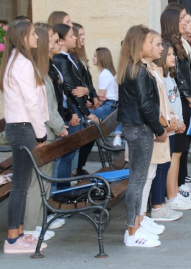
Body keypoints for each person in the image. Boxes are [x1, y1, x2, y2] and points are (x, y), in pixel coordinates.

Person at [117, 25, 168, 248]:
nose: (154, 45)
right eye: (150, 42)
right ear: (140, 44)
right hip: (139, 128)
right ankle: (132, 231)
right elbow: (146, 105)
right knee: (137, 180)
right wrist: (159, 129)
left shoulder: (135, 67)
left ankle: (137, 222)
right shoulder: (136, 69)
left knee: (138, 178)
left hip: (137, 127)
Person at [1, 19, 49, 254]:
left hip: (19, 127)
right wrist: (41, 133)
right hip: (23, 127)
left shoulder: (15, 61)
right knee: (20, 184)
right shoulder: (22, 64)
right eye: (33, 34)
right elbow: (31, 102)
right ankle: (12, 238)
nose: (37, 37)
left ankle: (19, 233)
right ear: (22, 38)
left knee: (22, 182)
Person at [23, 24, 69, 241]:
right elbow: (44, 108)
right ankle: (31, 228)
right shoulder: (36, 71)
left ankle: (39, 223)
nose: (55, 40)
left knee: (44, 182)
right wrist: (60, 127)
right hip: (43, 133)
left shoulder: (42, 69)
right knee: (37, 183)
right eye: (51, 37)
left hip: (48, 132)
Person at [160, 7, 191, 200]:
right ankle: (173, 190)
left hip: (183, 98)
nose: (185, 22)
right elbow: (178, 77)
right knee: (176, 149)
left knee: (181, 148)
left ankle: (177, 187)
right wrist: (190, 96)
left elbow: (186, 74)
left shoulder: (179, 44)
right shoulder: (168, 45)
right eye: (181, 19)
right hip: (177, 100)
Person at [52, 24, 98, 188]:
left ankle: (66, 187)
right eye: (72, 35)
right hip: (71, 112)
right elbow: (70, 91)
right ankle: (61, 191)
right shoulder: (60, 60)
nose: (76, 38)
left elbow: (81, 83)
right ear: (62, 40)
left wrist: (89, 92)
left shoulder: (70, 58)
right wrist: (79, 113)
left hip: (75, 110)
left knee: (70, 154)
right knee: (66, 155)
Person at [156, 41, 191, 211]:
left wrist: (180, 121)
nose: (174, 57)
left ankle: (174, 193)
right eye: (170, 54)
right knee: (171, 159)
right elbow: (165, 104)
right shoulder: (161, 78)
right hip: (170, 125)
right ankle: (171, 196)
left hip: (177, 123)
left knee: (176, 157)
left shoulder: (170, 76)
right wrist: (175, 122)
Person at [90, 47, 123, 146]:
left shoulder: (104, 74)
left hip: (108, 106)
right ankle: (117, 137)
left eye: (95, 56)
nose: (92, 58)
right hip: (112, 106)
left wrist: (93, 105)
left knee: (84, 115)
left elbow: (101, 98)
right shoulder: (108, 73)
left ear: (101, 58)